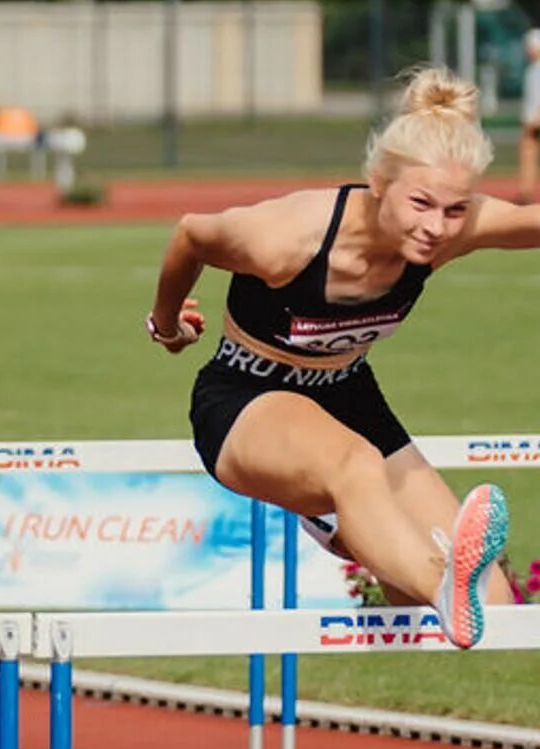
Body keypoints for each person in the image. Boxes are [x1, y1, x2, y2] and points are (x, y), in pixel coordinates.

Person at [147, 66, 530, 650]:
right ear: (379, 182)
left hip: (348, 394)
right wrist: (167, 322)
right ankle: (418, 564)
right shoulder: (285, 238)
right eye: (422, 204)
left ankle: (373, 542)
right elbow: (191, 234)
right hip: (247, 397)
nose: (435, 229)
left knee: (495, 609)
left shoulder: (447, 232)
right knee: (354, 464)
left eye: (455, 211)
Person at [518, 29, 540, 205]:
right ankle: (526, 193)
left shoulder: (536, 70)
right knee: (528, 155)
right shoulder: (531, 69)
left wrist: (534, 119)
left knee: (528, 153)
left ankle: (526, 194)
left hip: (535, 121)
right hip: (531, 119)